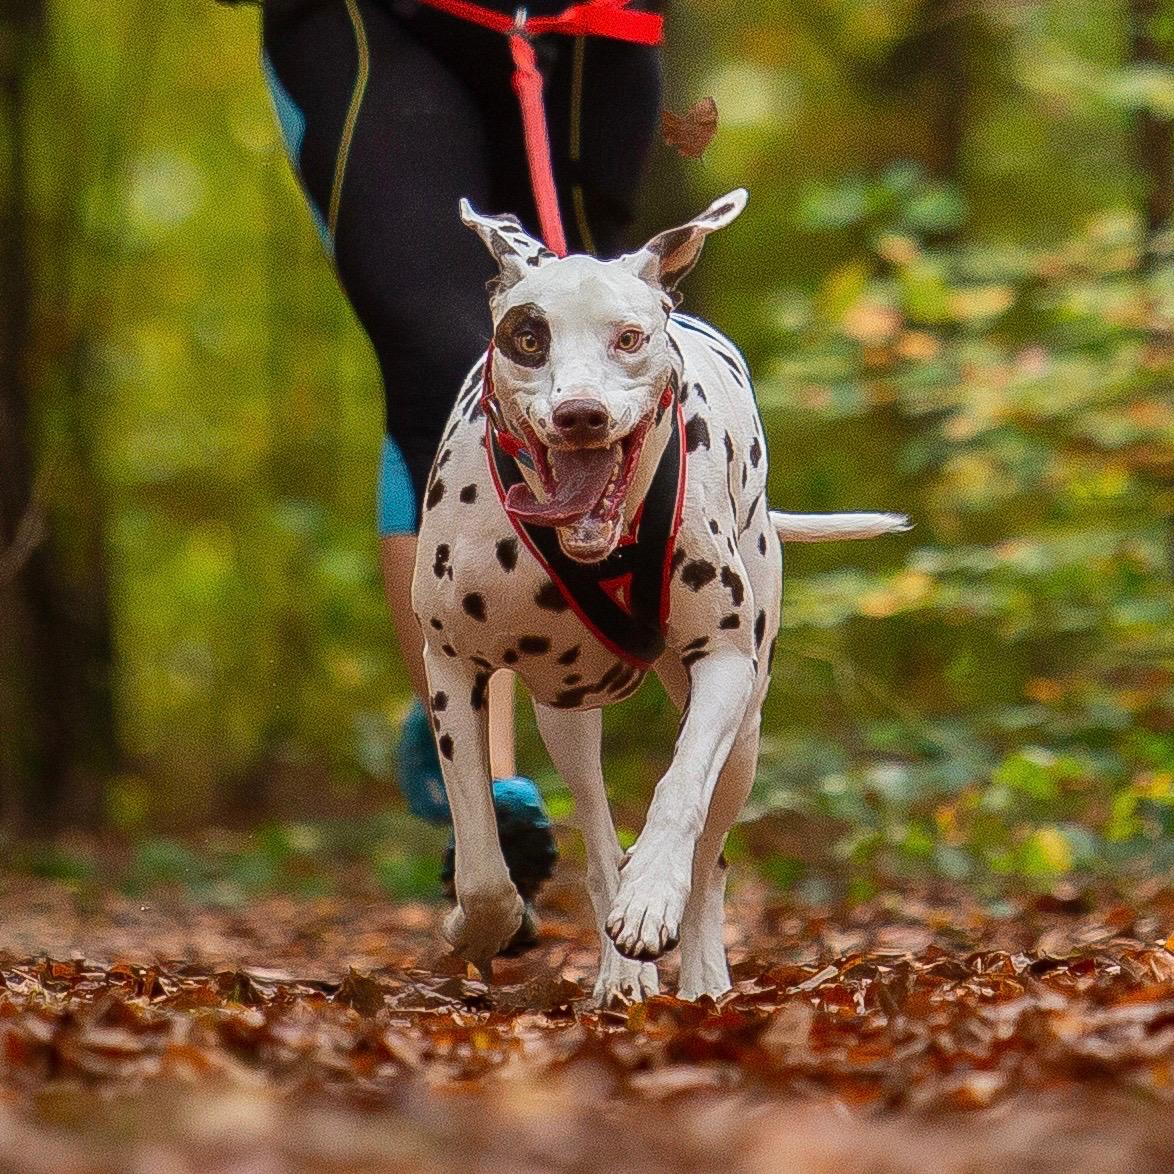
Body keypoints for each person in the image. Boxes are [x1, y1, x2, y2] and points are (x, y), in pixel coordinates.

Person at [237, 0, 663, 947]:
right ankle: (490, 798)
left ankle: (558, 668)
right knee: (447, 357)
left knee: (583, 351)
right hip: (373, 21)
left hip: (592, 30)